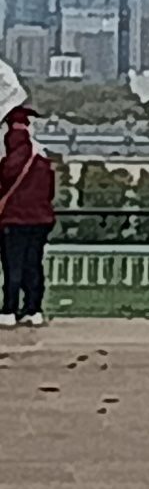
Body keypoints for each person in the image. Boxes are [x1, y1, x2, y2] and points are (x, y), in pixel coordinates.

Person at [0, 106, 56, 328]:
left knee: (12, 266)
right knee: (33, 264)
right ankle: (34, 309)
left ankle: (9, 310)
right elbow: (49, 192)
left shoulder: (6, 163)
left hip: (13, 221)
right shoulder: (41, 161)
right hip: (40, 220)